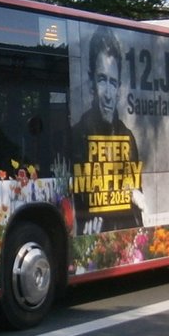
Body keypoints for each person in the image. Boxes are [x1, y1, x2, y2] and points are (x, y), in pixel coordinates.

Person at [70, 27, 145, 233]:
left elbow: (138, 210)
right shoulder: (76, 136)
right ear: (91, 82)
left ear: (120, 88)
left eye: (113, 82)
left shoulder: (127, 138)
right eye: (102, 79)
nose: (108, 95)